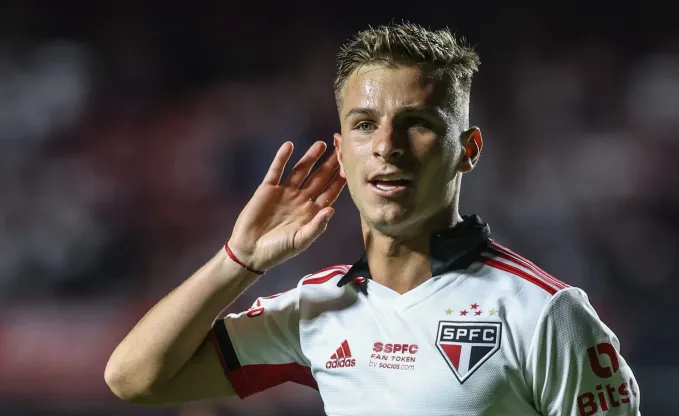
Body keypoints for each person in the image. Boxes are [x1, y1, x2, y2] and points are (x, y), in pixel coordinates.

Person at [105, 22, 641, 416]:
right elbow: (133, 378)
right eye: (365, 124)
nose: (387, 147)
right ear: (341, 151)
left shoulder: (546, 314)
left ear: (468, 149)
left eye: (417, 123)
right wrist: (238, 261)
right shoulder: (317, 308)